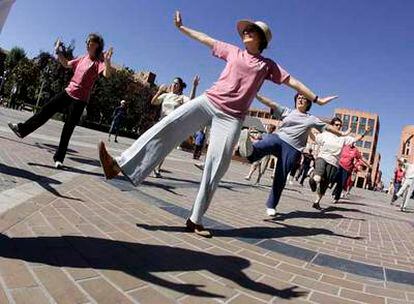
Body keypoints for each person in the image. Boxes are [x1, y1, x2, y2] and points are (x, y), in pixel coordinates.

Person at [98, 11, 337, 236]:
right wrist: (182, 28)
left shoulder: (267, 66)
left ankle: (195, 219)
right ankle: (118, 165)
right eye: (246, 30)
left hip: (232, 118)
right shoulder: (233, 51)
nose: (246, 32)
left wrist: (316, 98)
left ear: (261, 38)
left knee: (216, 165)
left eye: (251, 30)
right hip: (209, 100)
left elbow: (292, 80)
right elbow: (206, 39)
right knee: (169, 125)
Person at [8, 33, 113, 168]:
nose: (87, 44)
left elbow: (107, 74)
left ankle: (59, 158)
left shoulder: (98, 62)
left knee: (68, 129)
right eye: (86, 42)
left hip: (80, 100)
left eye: (90, 42)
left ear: (97, 45)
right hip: (68, 92)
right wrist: (58, 51)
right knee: (46, 110)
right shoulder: (82, 58)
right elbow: (66, 64)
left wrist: (108, 63)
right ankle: (22, 130)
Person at [238, 93, 344, 217]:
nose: (300, 99)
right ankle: (250, 151)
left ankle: (271, 205)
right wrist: (256, 94)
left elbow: (327, 127)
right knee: (268, 140)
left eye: (303, 98)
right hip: (279, 139)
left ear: (308, 103)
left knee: (280, 176)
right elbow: (271, 103)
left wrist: (341, 133)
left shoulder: (311, 119)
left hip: (292, 149)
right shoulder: (287, 111)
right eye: (298, 98)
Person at [308, 118, 369, 209]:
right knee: (318, 177)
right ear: (332, 125)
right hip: (323, 158)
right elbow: (315, 139)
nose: (339, 126)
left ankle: (317, 202)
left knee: (324, 184)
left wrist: (365, 132)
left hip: (334, 163)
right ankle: (312, 180)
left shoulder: (343, 137)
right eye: (337, 125)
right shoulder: (326, 134)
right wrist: (308, 129)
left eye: (340, 125)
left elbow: (356, 139)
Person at [150, 75, 200, 178]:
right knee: (153, 145)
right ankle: (150, 166)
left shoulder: (181, 97)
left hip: (171, 125)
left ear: (180, 86)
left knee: (163, 148)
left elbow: (191, 100)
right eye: (173, 83)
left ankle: (157, 169)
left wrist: (194, 86)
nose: (174, 85)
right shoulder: (166, 95)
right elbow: (153, 102)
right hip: (161, 123)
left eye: (176, 83)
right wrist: (159, 91)